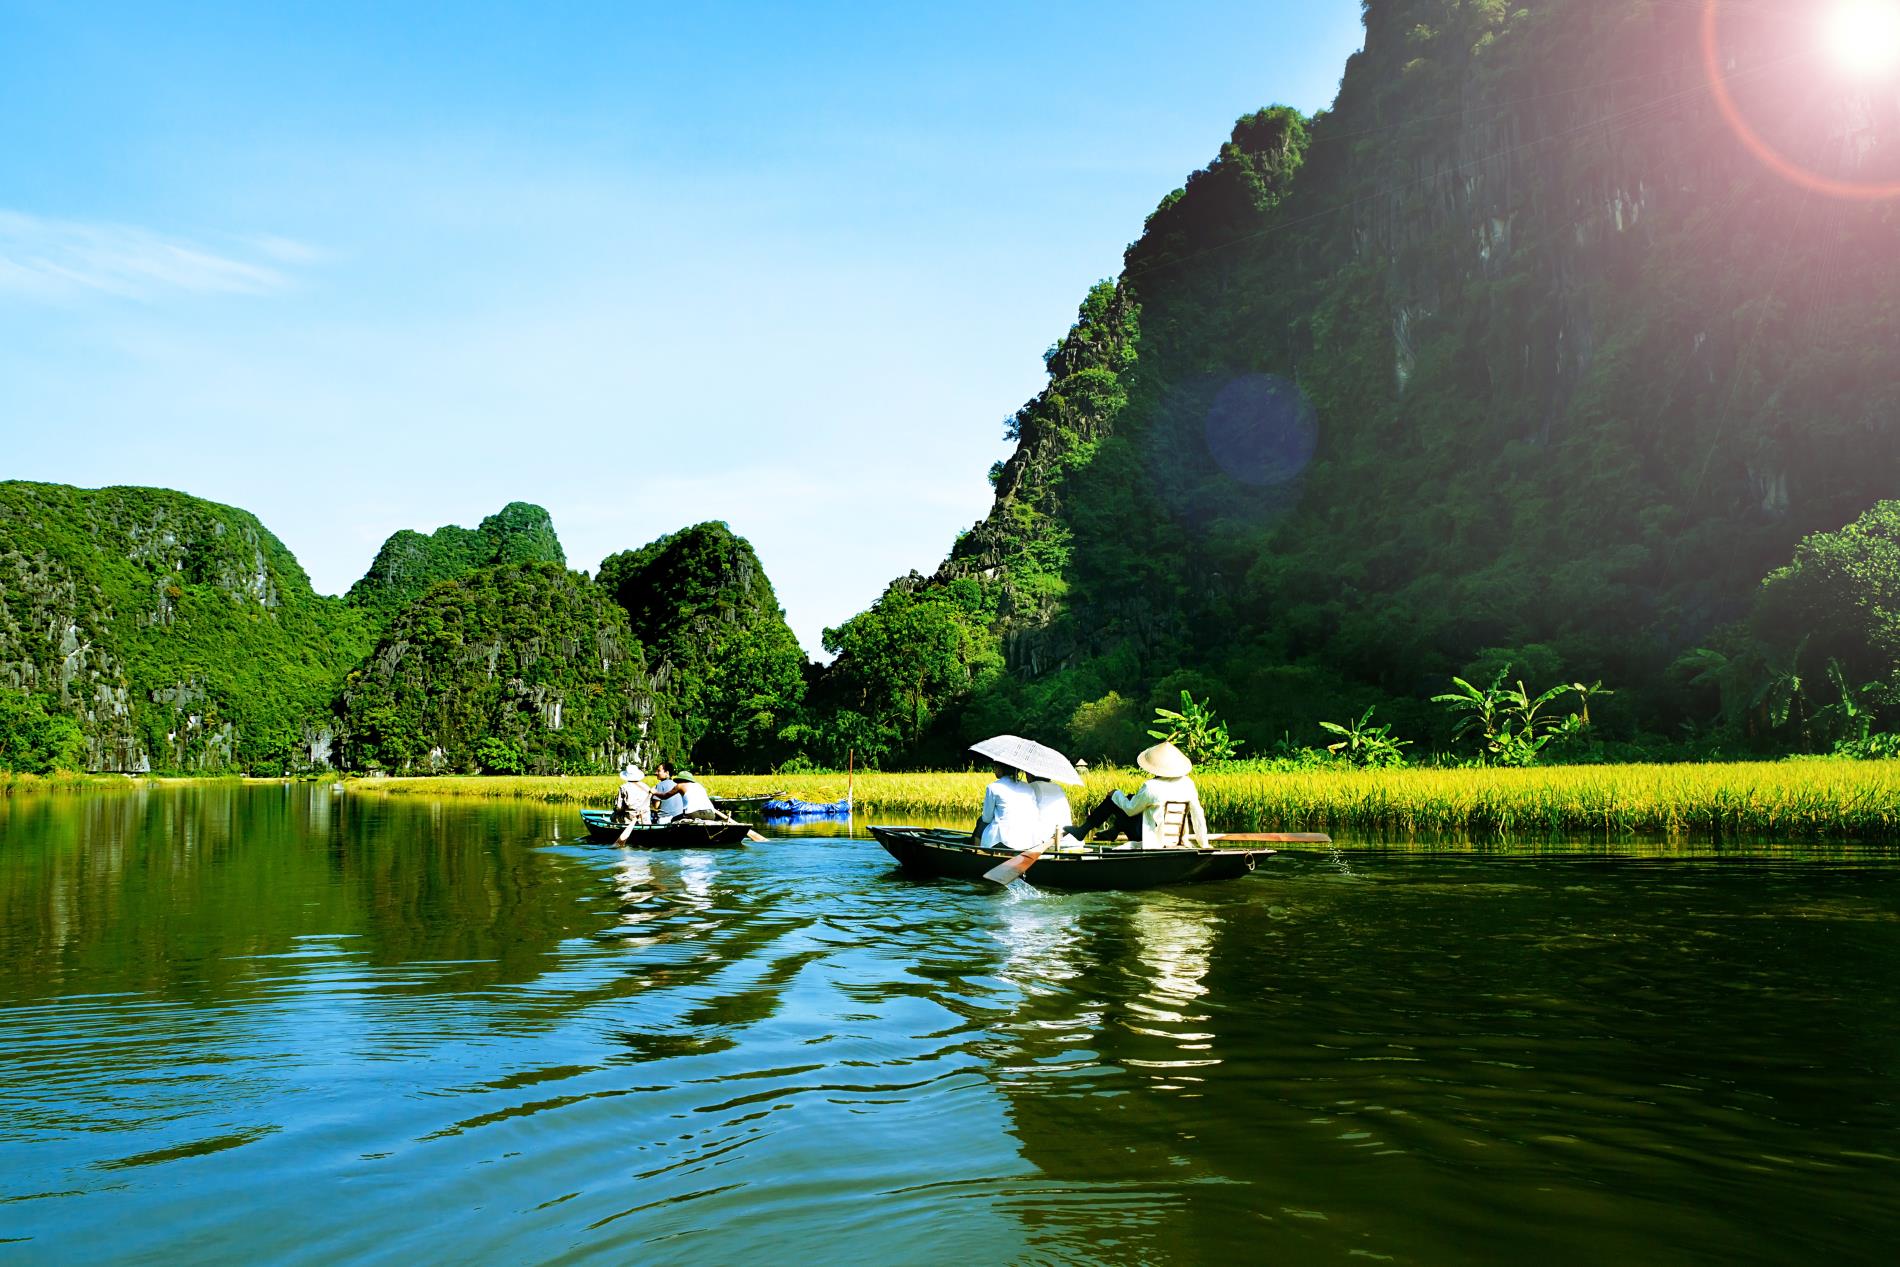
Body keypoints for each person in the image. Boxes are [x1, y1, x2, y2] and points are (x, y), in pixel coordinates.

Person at [1075, 741, 1210, 849]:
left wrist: (1115, 794)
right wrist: (1204, 844)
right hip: (1177, 839)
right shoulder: (1188, 784)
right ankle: (1111, 830)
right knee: (1130, 797)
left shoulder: (1151, 786)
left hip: (1152, 839)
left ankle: (1086, 829)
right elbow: (1198, 814)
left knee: (1116, 799)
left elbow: (1130, 810)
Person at [973, 760, 1044, 851]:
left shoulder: (993, 787)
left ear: (1000, 769)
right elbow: (1035, 815)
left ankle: (976, 852)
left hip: (1004, 841)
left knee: (981, 821)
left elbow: (987, 818)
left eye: (995, 766)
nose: (994, 769)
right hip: (1029, 840)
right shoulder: (1028, 788)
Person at [1028, 774, 1077, 852]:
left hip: (1049, 845)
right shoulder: (1058, 787)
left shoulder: (1032, 787)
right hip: (1071, 840)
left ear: (1030, 775)